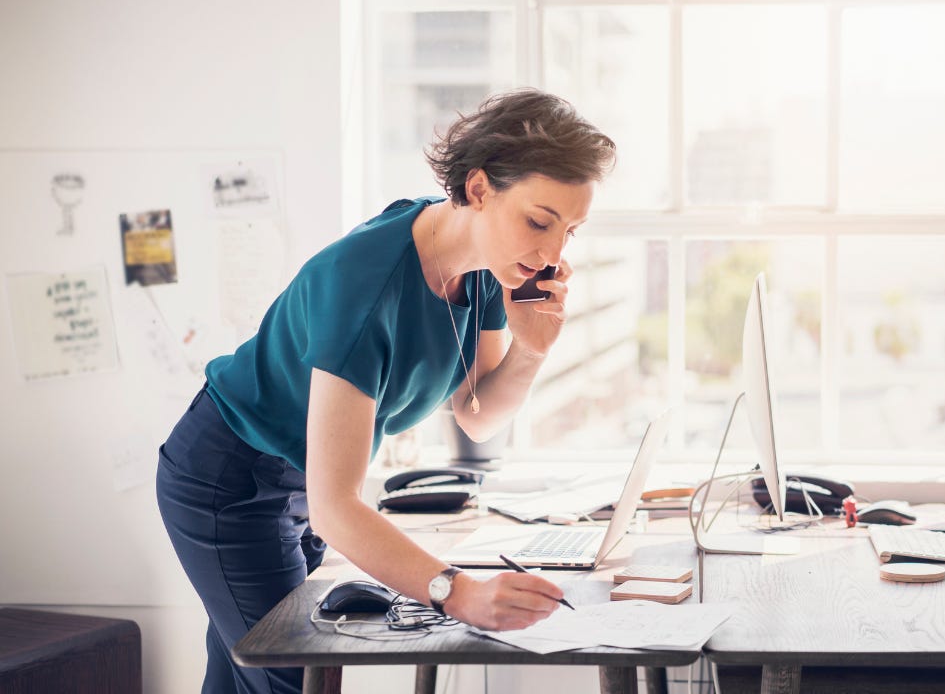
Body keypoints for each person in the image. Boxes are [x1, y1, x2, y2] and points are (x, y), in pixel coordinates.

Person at [156, 89, 616, 694]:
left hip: (298, 483)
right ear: (479, 189)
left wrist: (532, 348)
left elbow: (476, 416)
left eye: (570, 231)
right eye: (538, 221)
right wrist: (460, 593)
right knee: (291, 676)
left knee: (249, 674)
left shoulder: (481, 267)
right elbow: (336, 506)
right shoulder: (365, 284)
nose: (552, 254)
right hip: (229, 478)